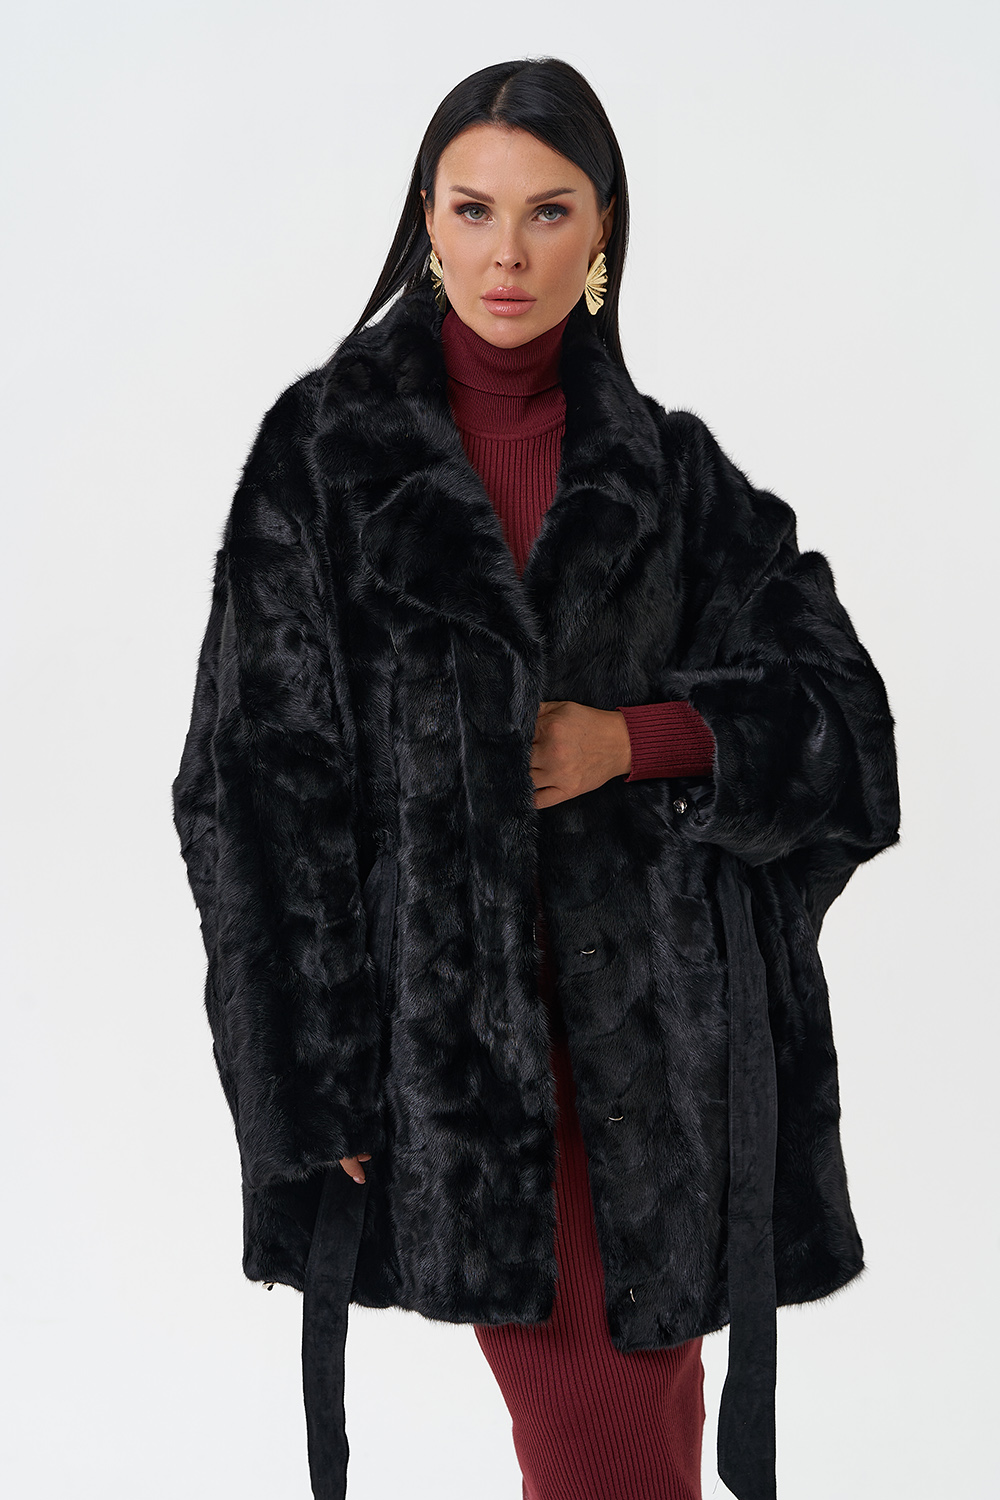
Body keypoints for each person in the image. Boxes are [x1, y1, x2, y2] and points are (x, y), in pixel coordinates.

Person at [171, 57, 900, 1500]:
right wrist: (313, 1085)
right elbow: (248, 789)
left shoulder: (670, 476)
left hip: (656, 1082)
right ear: (426, 221)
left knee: (640, 1443)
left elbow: (844, 729)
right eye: (474, 208)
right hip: (455, 1079)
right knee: (606, 1450)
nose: (508, 251)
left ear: (603, 229)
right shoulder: (324, 462)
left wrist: (631, 740)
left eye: (548, 210)